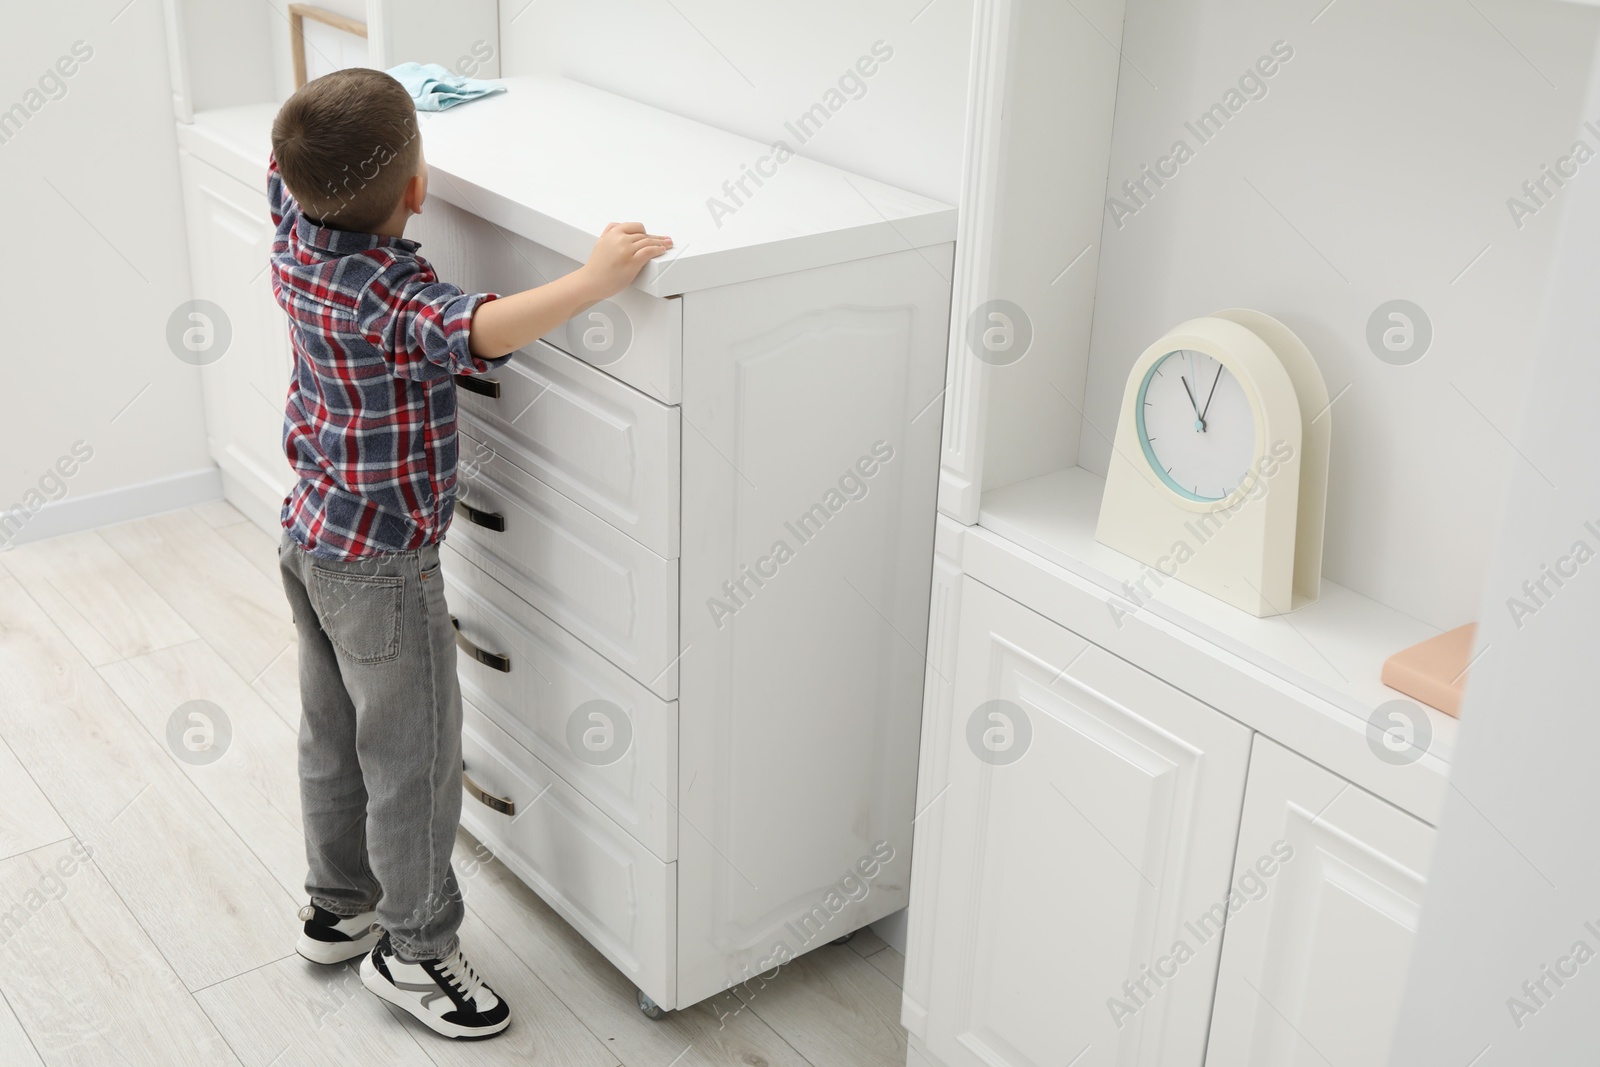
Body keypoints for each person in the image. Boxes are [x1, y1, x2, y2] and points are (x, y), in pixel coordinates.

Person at [266, 67, 670, 1040]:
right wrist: (596, 277)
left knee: (334, 733)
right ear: (416, 190)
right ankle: (411, 947)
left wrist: (366, 125)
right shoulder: (390, 292)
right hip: (385, 568)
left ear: (286, 173)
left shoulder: (294, 238)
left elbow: (297, 160)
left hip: (311, 533)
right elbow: (479, 328)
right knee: (413, 758)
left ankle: (337, 902)